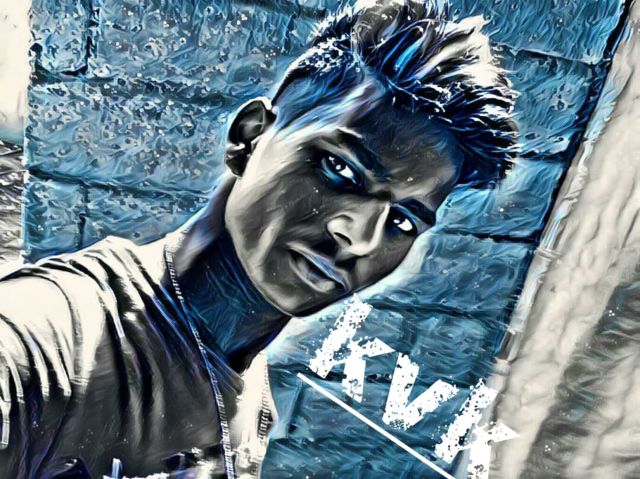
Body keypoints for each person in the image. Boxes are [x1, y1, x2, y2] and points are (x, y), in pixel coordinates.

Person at [0, 0, 517, 477]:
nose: (359, 238)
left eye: (402, 221)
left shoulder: (251, 392)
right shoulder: (39, 342)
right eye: (339, 169)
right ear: (248, 138)